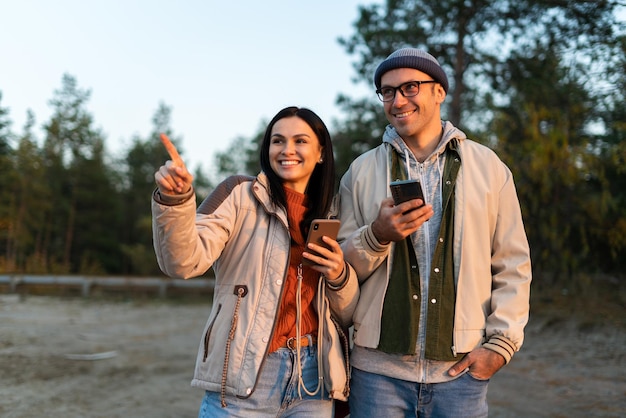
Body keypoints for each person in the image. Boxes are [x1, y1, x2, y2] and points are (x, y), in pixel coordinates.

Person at [337, 47, 532, 417]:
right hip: (377, 376)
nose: (397, 100)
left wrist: (501, 345)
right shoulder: (360, 172)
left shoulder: (488, 167)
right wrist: (377, 236)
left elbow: (512, 264)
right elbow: (341, 273)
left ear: (439, 92)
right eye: (387, 91)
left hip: (460, 375)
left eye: (410, 87)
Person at [151, 106, 359, 417]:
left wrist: (339, 274)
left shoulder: (337, 213)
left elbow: (345, 312)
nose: (287, 149)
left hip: (314, 380)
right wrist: (176, 201)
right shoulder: (238, 194)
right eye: (277, 141)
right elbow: (182, 262)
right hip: (243, 376)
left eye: (300, 141)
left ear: (321, 153)